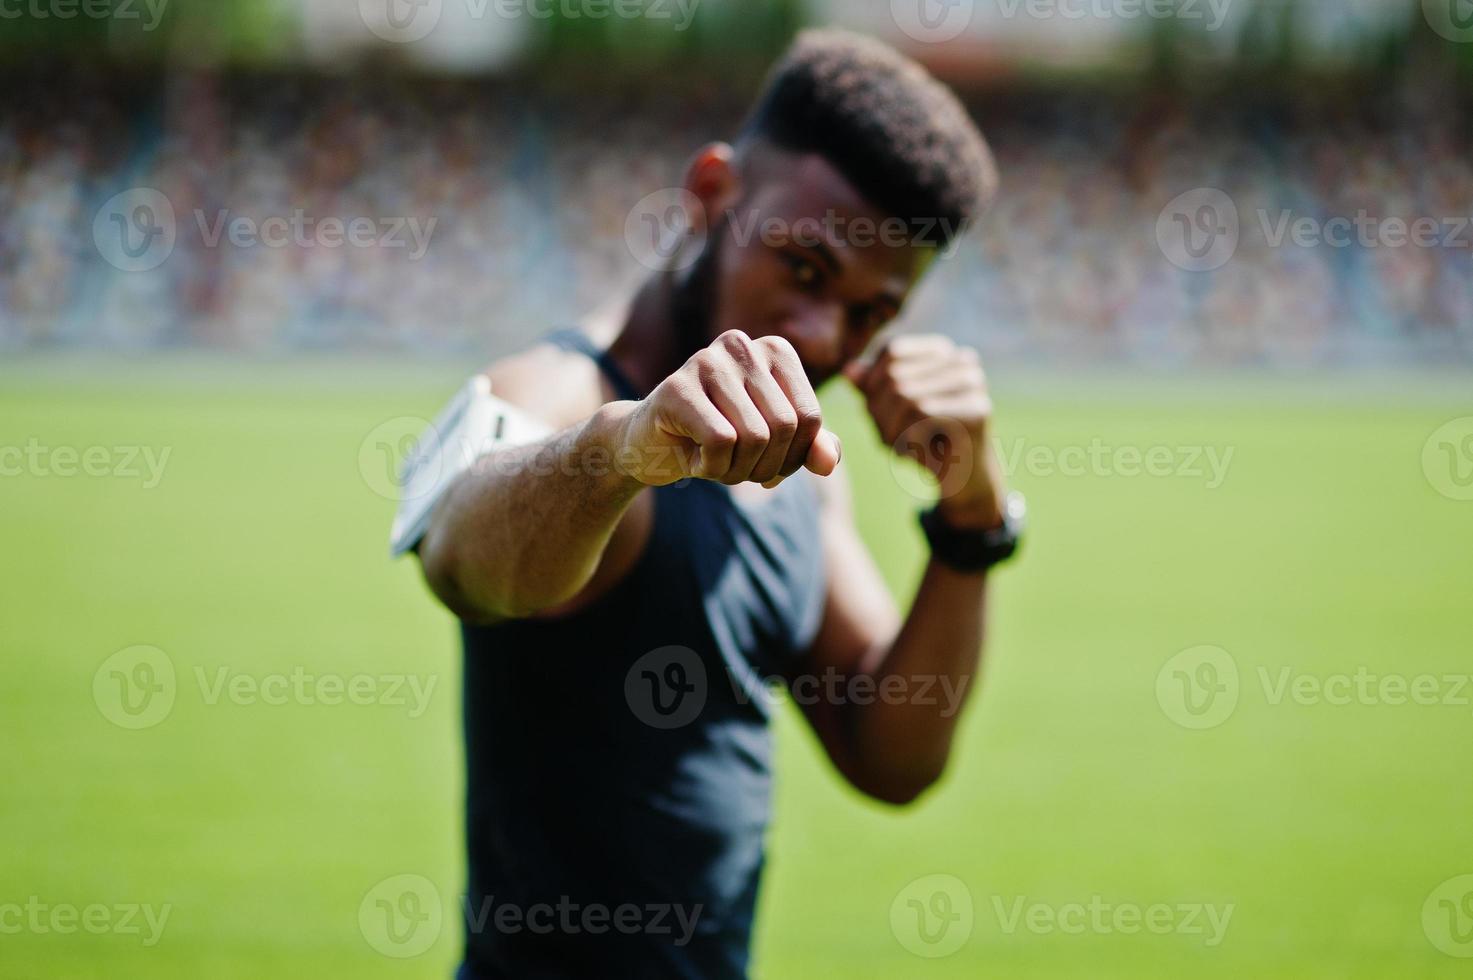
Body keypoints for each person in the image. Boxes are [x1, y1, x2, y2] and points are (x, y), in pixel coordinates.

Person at [399, 29, 1024, 979]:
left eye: (870, 313)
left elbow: (887, 754)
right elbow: (462, 557)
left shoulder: (803, 470)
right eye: (803, 269)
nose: (822, 335)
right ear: (710, 196)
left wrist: (972, 521)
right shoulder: (562, 392)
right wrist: (619, 453)